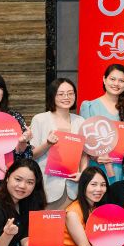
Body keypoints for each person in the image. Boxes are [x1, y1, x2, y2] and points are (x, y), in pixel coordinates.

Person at [79, 63, 124, 183]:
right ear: (104, 79)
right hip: (98, 170)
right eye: (112, 79)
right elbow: (84, 142)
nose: (116, 84)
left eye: (121, 81)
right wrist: (95, 156)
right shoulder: (89, 107)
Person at [29, 78, 86, 208]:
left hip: (74, 186)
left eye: (70, 93)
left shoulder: (80, 121)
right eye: (61, 94)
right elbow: (31, 154)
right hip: (47, 186)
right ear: (52, 96)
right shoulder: (40, 119)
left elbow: (84, 154)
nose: (66, 97)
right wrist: (48, 144)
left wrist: (82, 173)